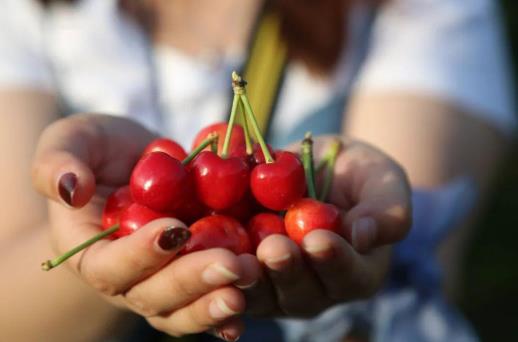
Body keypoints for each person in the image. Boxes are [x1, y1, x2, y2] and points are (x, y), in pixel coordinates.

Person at [0, 0, 514, 341]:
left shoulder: (419, 9)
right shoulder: (32, 16)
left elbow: (418, 260)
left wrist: (371, 258)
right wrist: (92, 255)